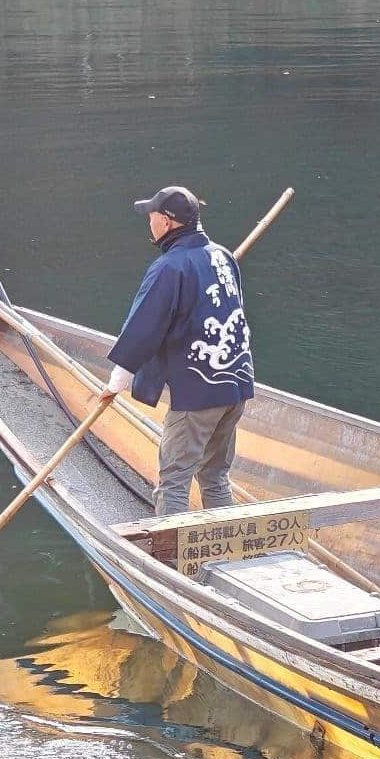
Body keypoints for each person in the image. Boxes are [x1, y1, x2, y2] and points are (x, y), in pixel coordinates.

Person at [99, 186, 254, 517]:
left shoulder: (170, 267)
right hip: (236, 384)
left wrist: (116, 382)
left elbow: (144, 327)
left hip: (199, 393)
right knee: (214, 476)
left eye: (152, 217)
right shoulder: (222, 256)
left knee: (173, 482)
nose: (149, 223)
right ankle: (227, 556)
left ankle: (174, 563)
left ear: (167, 222)